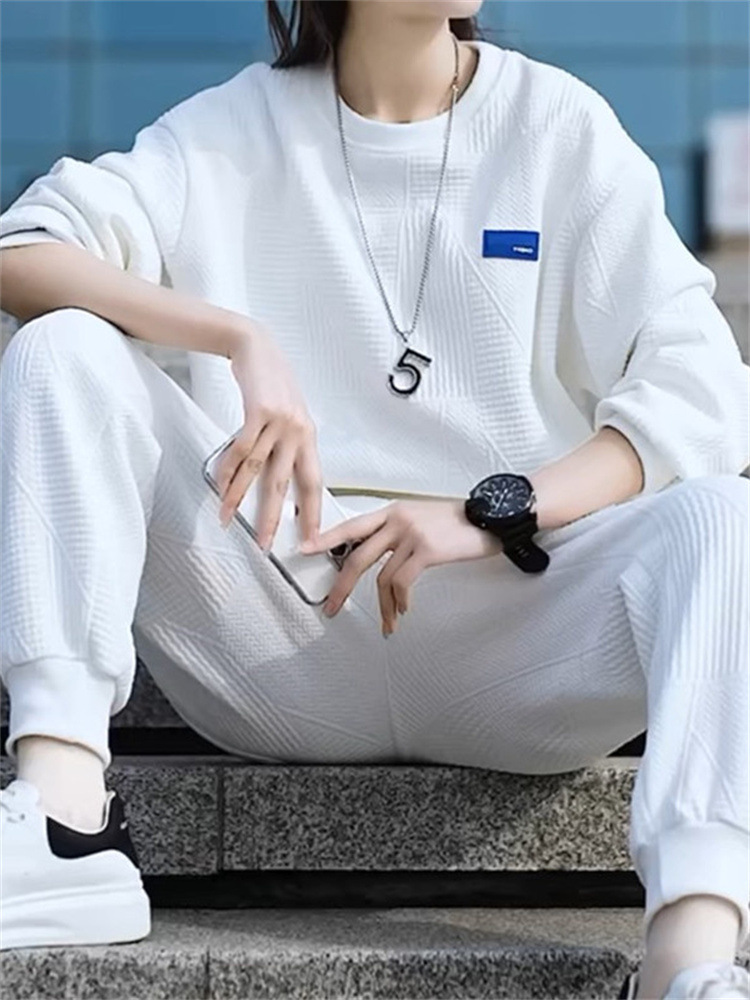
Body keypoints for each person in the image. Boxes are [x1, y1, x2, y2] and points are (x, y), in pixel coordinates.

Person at [0, 1, 748, 996]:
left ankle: (687, 963)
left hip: (517, 639)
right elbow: (22, 247)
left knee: (724, 518)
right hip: (280, 632)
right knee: (63, 346)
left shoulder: (557, 128)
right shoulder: (229, 134)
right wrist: (236, 336)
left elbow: (704, 388)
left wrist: (496, 508)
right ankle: (65, 820)